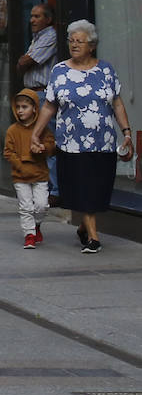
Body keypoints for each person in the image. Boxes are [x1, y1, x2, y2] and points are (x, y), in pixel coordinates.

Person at [31, 20, 134, 254]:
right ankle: (94, 238)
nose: (74, 45)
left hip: (104, 142)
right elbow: (49, 106)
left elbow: (116, 102)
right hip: (71, 144)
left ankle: (83, 228)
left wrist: (126, 132)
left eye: (80, 41)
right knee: (84, 188)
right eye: (71, 40)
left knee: (99, 190)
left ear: (92, 46)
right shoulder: (59, 70)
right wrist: (35, 133)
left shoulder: (106, 70)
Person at [4, 89, 56, 249]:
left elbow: (51, 146)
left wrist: (42, 148)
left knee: (41, 206)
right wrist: (20, 166)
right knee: (25, 207)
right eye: (18, 107)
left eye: (24, 107)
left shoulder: (42, 129)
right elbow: (8, 152)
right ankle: (30, 235)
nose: (20, 110)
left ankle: (37, 224)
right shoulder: (12, 130)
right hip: (20, 177)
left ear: (34, 108)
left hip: (39, 175)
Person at [18, 3, 59, 195]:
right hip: (33, 94)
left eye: (37, 16)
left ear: (48, 19)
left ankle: (54, 190)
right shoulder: (37, 38)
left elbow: (27, 61)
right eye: (31, 16)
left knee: (46, 140)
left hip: (43, 94)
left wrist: (22, 61)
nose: (32, 20)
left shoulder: (50, 36)